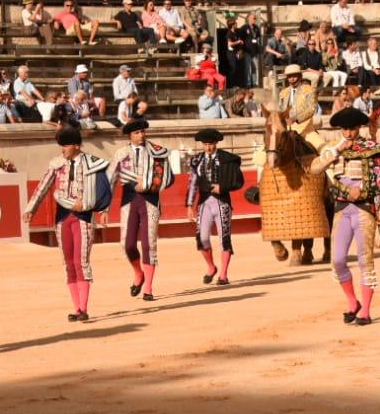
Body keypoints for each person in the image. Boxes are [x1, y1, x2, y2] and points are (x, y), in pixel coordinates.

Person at [24, 123, 112, 322]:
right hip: (63, 218)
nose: (62, 149)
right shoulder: (57, 164)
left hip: (83, 217)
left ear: (76, 145)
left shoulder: (92, 163)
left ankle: (83, 308)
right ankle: (77, 308)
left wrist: (103, 210)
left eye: (65, 145)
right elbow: (42, 187)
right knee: (69, 263)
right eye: (61, 145)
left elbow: (102, 189)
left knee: (81, 261)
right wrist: (31, 208)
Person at [313, 107, 380, 325]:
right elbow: (315, 169)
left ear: (359, 128)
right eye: (345, 129)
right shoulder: (333, 147)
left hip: (364, 209)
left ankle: (365, 310)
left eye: (352, 129)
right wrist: (338, 150)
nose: (348, 133)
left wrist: (362, 192)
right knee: (337, 259)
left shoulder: (372, 148)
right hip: (342, 208)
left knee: (365, 259)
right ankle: (352, 302)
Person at [111, 118, 177, 301]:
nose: (141, 135)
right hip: (128, 202)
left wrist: (150, 184)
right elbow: (111, 180)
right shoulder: (121, 154)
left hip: (151, 201)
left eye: (143, 132)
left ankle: (148, 288)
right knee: (128, 245)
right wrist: (104, 208)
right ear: (129, 136)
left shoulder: (157, 151)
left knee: (149, 245)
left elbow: (169, 178)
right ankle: (138, 273)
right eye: (137, 133)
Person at [185, 127, 245, 286]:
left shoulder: (226, 159)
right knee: (202, 238)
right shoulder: (197, 160)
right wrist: (189, 205)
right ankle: (211, 267)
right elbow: (193, 183)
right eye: (205, 144)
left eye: (211, 144)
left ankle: (223, 275)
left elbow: (237, 180)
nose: (208, 147)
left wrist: (223, 187)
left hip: (222, 202)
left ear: (216, 143)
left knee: (224, 238)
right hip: (204, 203)